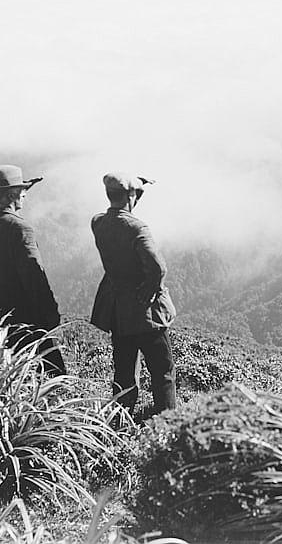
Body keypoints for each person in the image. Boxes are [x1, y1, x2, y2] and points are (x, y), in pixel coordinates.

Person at [90, 172, 177, 414]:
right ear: (131, 196)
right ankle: (167, 421)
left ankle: (121, 421)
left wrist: (133, 191)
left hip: (117, 311)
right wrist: (149, 291)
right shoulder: (137, 228)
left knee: (124, 371)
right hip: (145, 313)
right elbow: (159, 268)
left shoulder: (98, 222)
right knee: (163, 371)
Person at [0, 164, 66, 376]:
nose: (25, 196)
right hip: (28, 313)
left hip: (1, 309)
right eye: (23, 191)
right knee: (54, 372)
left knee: (16, 369)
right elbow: (34, 275)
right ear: (13, 194)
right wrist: (50, 312)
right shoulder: (20, 228)